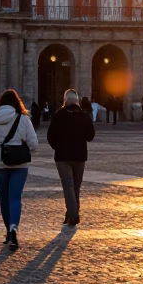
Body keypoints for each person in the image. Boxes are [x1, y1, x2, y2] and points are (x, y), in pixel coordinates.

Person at [0, 89, 38, 249]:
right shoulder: (23, 119)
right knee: (15, 197)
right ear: (17, 102)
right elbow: (33, 144)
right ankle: (13, 228)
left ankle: (8, 232)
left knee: (4, 198)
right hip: (19, 164)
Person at [47, 88, 95, 226]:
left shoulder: (58, 115)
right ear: (77, 101)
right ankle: (72, 214)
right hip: (80, 156)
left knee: (68, 187)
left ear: (65, 101)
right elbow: (90, 136)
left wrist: (57, 147)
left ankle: (72, 215)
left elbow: (50, 136)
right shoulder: (84, 115)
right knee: (76, 186)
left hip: (62, 156)